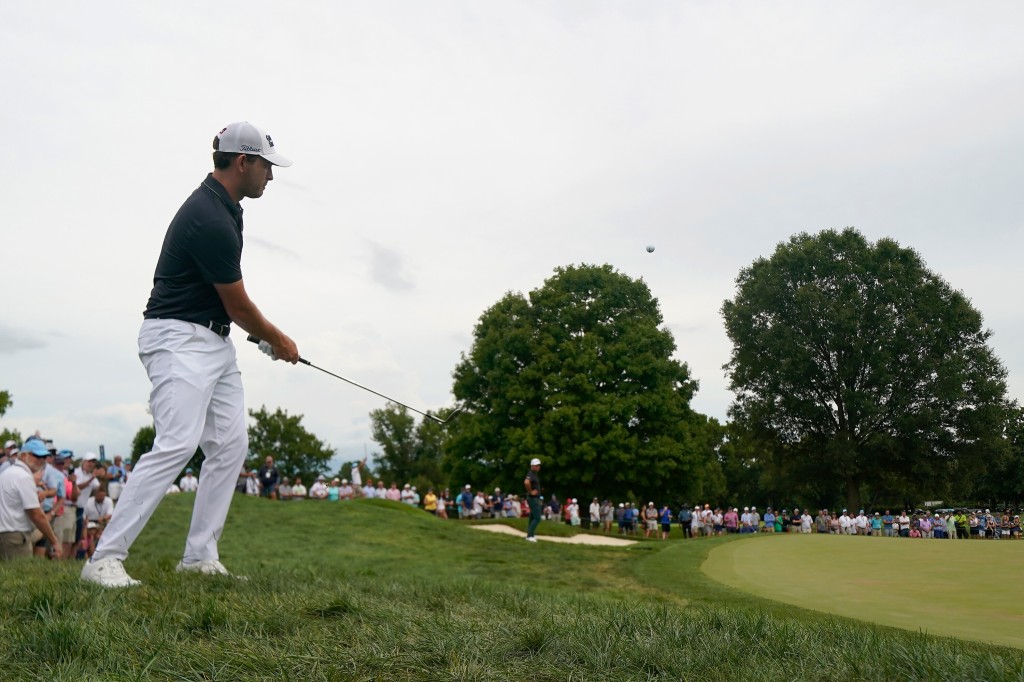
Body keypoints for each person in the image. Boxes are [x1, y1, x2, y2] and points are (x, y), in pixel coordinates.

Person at [81, 122, 299, 588]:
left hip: (212, 342)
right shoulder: (210, 216)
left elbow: (227, 305)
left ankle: (200, 556)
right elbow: (239, 304)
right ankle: (103, 559)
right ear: (243, 162)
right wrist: (278, 339)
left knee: (230, 444)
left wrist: (257, 335)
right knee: (178, 442)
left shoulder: (228, 209)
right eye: (266, 166)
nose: (271, 177)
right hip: (176, 339)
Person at [0, 441, 62, 560]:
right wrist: (54, 541)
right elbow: (37, 515)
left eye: (44, 457)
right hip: (15, 538)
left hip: (6, 534)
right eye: (37, 456)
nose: (42, 460)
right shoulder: (23, 476)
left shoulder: (7, 472)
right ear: (23, 456)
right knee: (18, 577)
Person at [524, 458, 542, 542]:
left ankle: (530, 535)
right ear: (533, 466)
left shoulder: (534, 474)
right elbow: (526, 482)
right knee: (537, 518)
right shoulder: (531, 474)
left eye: (539, 465)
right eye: (537, 465)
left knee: (532, 517)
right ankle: (529, 536)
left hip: (535, 498)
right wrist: (530, 492)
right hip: (533, 498)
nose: (539, 467)